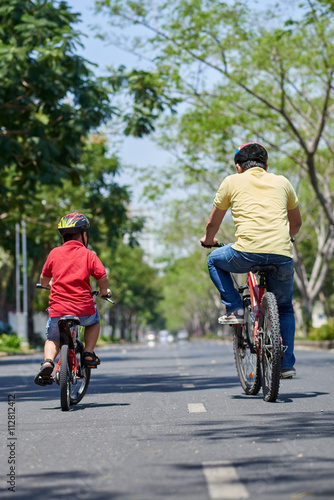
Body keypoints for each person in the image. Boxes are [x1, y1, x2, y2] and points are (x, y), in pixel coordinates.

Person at [200, 142, 302, 378]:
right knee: (285, 307)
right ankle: (286, 364)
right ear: (266, 166)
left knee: (214, 260)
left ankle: (235, 308)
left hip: (246, 253)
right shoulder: (283, 181)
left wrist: (208, 240)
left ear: (239, 167)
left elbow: (212, 224)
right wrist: (284, 240)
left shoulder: (231, 181)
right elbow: (295, 225)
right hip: (282, 254)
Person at [34, 212, 111, 386]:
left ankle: (47, 362)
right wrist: (104, 291)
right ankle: (89, 353)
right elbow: (102, 277)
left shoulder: (54, 253)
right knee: (94, 321)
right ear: (84, 234)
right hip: (84, 309)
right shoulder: (88, 254)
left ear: (64, 236)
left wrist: (49, 285)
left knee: (53, 337)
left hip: (58, 310)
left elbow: (43, 279)